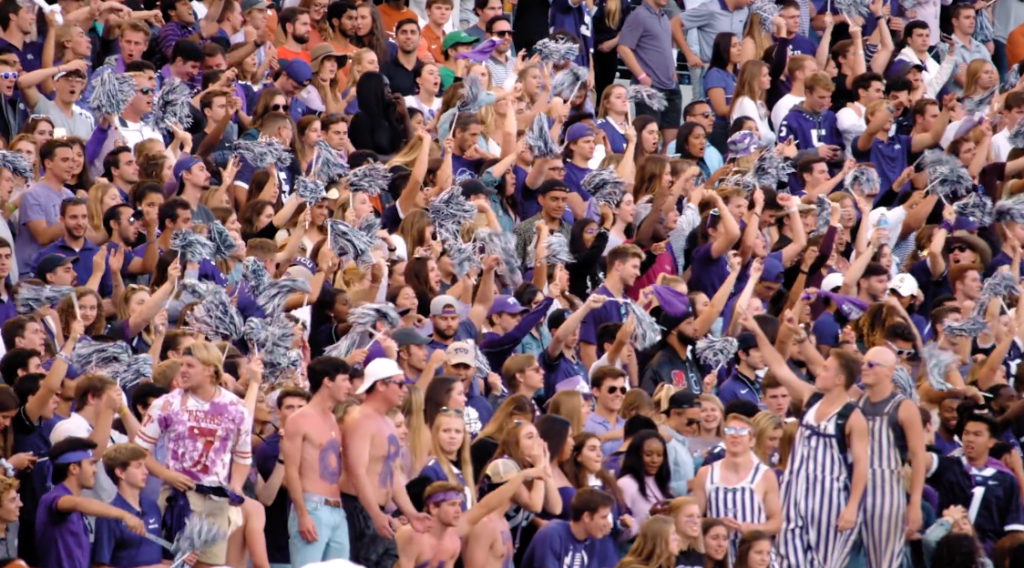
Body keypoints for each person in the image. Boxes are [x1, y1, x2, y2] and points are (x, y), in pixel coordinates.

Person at [741, 311, 868, 568]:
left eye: (826, 369)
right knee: (787, 560)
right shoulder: (810, 397)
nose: (819, 371)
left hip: (829, 499)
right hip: (794, 491)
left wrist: (852, 506)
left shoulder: (853, 417)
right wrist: (757, 330)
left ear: (840, 379)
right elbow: (777, 366)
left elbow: (862, 467)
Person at [135, 341, 254, 567]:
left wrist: (237, 484)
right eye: (182, 365)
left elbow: (242, 456)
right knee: (175, 563)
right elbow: (139, 450)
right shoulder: (166, 404)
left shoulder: (237, 407)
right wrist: (167, 475)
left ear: (210, 369)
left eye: (190, 365)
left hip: (218, 499)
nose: (183, 371)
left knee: (212, 564)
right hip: (180, 497)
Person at [341, 357, 431, 568]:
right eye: (399, 384)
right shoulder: (360, 419)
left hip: (377, 510)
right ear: (380, 384)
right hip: (356, 509)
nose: (404, 390)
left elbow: (391, 476)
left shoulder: (388, 424)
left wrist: (411, 513)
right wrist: (375, 514)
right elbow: (357, 472)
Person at [283, 357, 353, 565]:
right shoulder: (299, 419)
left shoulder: (333, 419)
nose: (349, 386)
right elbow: (291, 471)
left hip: (337, 508)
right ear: (327, 381)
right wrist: (302, 514)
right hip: (311, 506)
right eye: (345, 380)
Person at [35, 437, 146, 568]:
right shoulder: (53, 497)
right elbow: (78, 503)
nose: (95, 470)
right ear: (73, 468)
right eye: (91, 464)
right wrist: (125, 515)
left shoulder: (75, 509)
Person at [691, 413, 781, 564]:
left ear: (752, 440)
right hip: (719, 558)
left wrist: (757, 528)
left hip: (753, 558)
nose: (735, 436)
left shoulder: (765, 475)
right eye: (730, 431)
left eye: (742, 432)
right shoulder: (705, 473)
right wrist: (715, 524)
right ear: (724, 438)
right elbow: (694, 519)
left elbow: (776, 521)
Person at [617, 0, 681, 150]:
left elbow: (667, 47)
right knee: (648, 143)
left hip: (671, 87)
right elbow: (623, 47)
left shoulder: (664, 18)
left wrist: (674, 72)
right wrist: (642, 77)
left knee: (671, 145)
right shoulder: (638, 16)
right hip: (649, 90)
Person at [15, 139, 76, 275]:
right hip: (31, 274)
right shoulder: (32, 194)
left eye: (72, 160)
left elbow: (84, 235)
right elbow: (42, 236)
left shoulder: (70, 195)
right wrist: (72, 222)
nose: (72, 165)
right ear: (48, 163)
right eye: (65, 160)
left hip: (59, 274)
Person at [518, 488, 617, 568]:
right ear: (586, 517)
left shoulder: (595, 540)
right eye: (603, 517)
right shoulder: (552, 534)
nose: (607, 523)